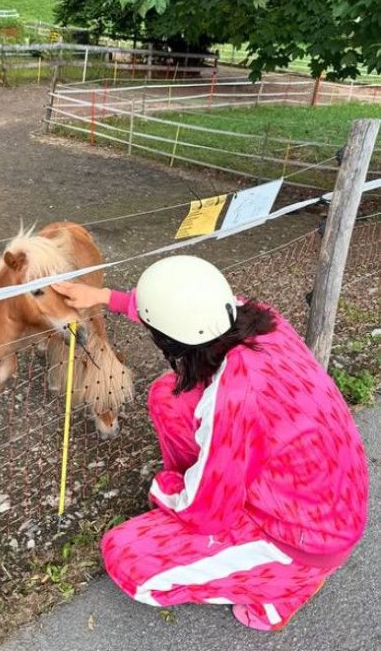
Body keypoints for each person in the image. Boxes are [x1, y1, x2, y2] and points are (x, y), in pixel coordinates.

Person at [52, 255, 368, 631]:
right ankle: (211, 504)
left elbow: (206, 511)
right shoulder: (259, 319)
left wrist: (168, 488)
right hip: (329, 494)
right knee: (169, 396)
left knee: (125, 556)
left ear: (170, 343)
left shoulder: (234, 396)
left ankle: (284, 590)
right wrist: (105, 296)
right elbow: (188, 309)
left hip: (302, 539)